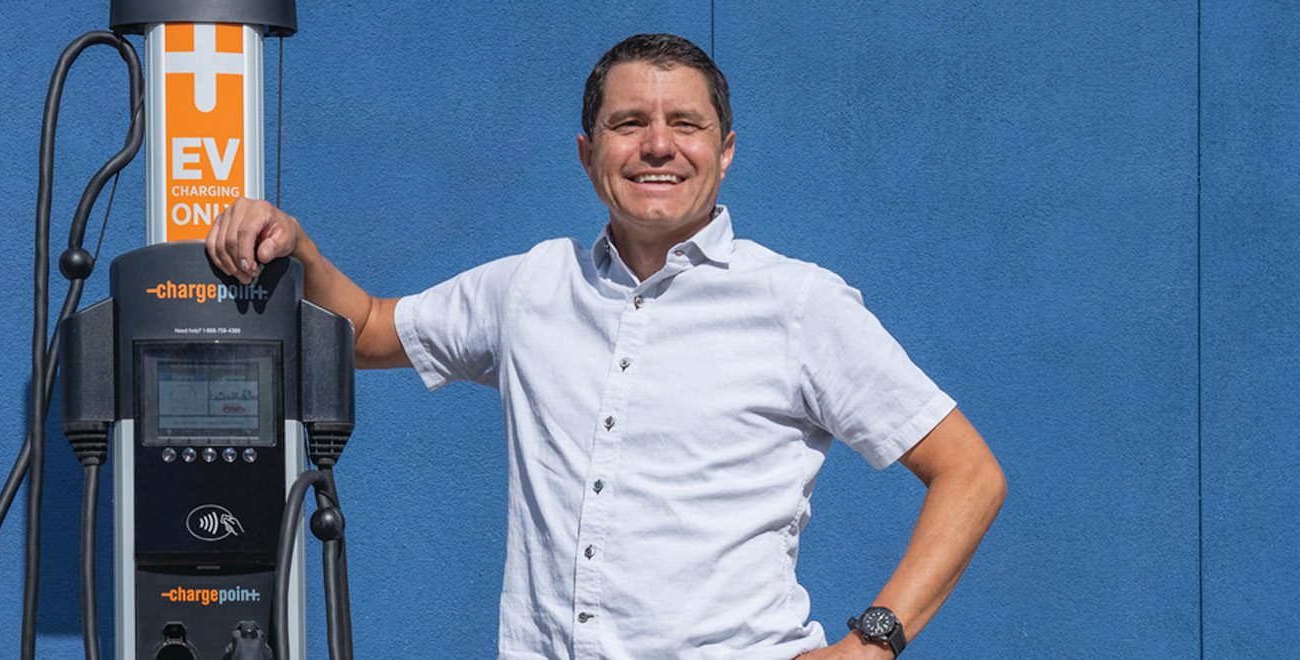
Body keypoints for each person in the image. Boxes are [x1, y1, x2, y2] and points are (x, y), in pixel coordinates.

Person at [207, 33, 1005, 660]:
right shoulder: (530, 287)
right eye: (629, 124)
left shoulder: (797, 304)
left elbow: (968, 473)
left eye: (685, 125)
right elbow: (372, 330)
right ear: (589, 153)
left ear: (725, 150)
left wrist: (873, 642)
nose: (658, 146)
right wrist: (300, 252)